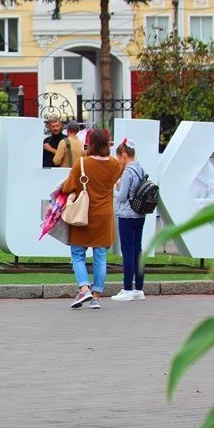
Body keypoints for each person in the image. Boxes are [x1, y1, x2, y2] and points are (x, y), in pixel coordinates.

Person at [61, 129, 123, 309]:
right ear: (107, 143)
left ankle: (83, 288)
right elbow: (115, 178)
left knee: (77, 254)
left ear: (90, 143)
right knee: (100, 257)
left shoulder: (82, 163)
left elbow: (68, 187)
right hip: (104, 216)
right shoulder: (115, 165)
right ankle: (96, 297)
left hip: (83, 213)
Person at [111, 138, 146, 302]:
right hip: (140, 214)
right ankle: (139, 288)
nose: (119, 160)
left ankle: (127, 288)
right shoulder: (140, 169)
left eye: (119, 157)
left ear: (124, 155)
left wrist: (112, 190)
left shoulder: (127, 172)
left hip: (127, 215)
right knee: (138, 251)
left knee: (128, 252)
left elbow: (122, 197)